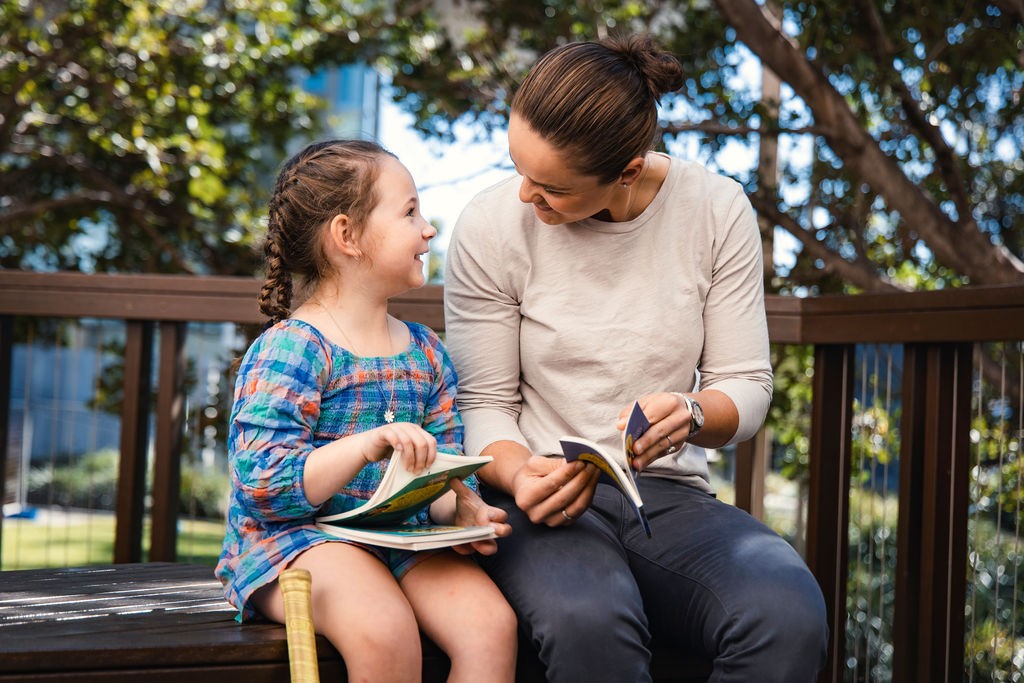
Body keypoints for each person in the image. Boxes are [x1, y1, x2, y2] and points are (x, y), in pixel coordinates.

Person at [443, 35, 829, 682]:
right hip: (539, 499)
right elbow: (483, 403)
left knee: (786, 612)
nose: (524, 197)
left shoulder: (715, 208)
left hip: (668, 501)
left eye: (551, 188)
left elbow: (747, 385)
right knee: (587, 620)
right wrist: (517, 475)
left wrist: (691, 410)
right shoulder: (488, 227)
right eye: (520, 171)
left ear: (627, 169)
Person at [216, 139, 517, 683]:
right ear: (346, 236)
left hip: (398, 538)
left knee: (491, 626)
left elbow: (440, 473)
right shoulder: (295, 347)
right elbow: (261, 485)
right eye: (409, 212)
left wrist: (462, 511)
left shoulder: (426, 351)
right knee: (385, 630)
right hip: (295, 541)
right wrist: (363, 446)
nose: (428, 229)